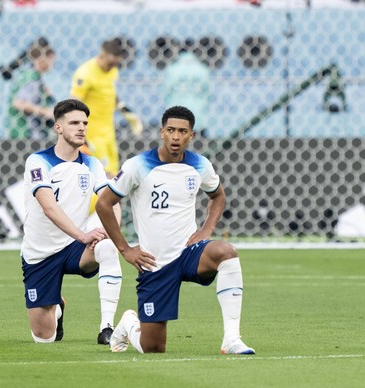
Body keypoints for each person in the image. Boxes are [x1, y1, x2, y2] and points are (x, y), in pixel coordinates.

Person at [95, 106, 255, 355]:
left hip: (189, 252)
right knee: (153, 348)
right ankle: (128, 323)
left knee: (226, 252)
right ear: (161, 132)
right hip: (154, 262)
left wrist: (206, 230)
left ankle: (232, 338)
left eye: (182, 131)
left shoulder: (200, 165)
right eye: (171, 130)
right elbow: (104, 203)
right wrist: (125, 249)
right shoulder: (138, 165)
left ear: (191, 135)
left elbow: (218, 196)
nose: (176, 137)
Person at [21, 98, 123, 345]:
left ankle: (107, 328)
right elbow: (48, 207)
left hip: (74, 248)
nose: (81, 128)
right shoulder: (38, 162)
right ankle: (57, 306)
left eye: (85, 123)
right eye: (74, 123)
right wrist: (83, 234)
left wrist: (111, 232)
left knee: (107, 248)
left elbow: (112, 202)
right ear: (58, 127)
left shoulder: (92, 164)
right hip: (40, 254)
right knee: (44, 338)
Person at [70, 38, 143, 178]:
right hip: (92, 133)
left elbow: (110, 94)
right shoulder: (85, 73)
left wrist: (127, 113)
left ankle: (109, 200)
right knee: (104, 175)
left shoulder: (112, 70)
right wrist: (78, 134)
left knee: (115, 174)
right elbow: (74, 104)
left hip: (108, 132)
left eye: (116, 64)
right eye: (110, 63)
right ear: (101, 56)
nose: (112, 67)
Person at [7, 43, 56, 140]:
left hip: (18, 132)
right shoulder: (32, 78)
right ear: (42, 58)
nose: (52, 64)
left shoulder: (25, 75)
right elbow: (18, 103)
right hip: (27, 135)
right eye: (51, 60)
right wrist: (46, 112)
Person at [164, 40, 212, 138]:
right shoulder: (203, 69)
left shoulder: (172, 69)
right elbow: (208, 93)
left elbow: (166, 93)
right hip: (198, 119)